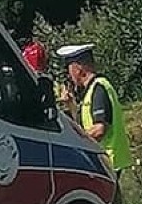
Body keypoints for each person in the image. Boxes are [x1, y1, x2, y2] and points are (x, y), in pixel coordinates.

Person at [55, 43, 131, 178]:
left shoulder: (99, 88)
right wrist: (70, 105)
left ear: (78, 68)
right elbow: (84, 124)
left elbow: (99, 129)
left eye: (69, 69)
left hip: (107, 159)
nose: (69, 75)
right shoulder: (91, 89)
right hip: (104, 160)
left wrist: (74, 142)